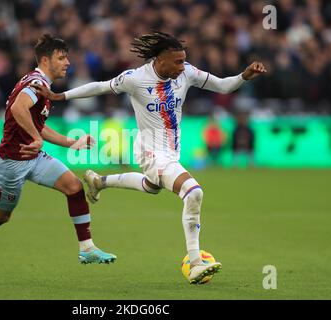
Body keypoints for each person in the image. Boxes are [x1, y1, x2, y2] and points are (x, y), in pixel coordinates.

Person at [33, 31, 266, 284]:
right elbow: (100, 87)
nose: (182, 66)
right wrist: (61, 96)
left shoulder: (187, 72)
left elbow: (222, 85)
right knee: (194, 192)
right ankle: (196, 262)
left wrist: (244, 76)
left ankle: (100, 182)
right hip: (150, 152)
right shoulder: (135, 79)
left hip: (170, 152)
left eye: (183, 61)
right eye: (177, 62)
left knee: (152, 186)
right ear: (160, 60)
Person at [0, 34, 116, 265]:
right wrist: (35, 138)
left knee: (73, 187)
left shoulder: (42, 85)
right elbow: (19, 108)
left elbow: (38, 126)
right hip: (11, 162)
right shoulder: (36, 82)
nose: (67, 62)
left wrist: (71, 142)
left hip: (32, 156)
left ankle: (87, 249)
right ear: (45, 60)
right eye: (61, 58)